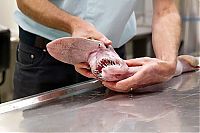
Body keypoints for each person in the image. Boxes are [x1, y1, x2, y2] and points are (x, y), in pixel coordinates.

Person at [14, 0, 180, 98]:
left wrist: (167, 64)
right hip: (44, 58)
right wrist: (74, 24)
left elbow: (166, 10)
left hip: (112, 61)